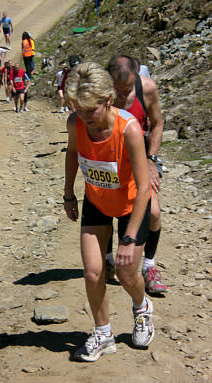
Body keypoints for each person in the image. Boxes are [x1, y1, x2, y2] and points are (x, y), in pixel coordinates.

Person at [64, 62, 154, 362]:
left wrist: (128, 239)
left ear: (107, 100)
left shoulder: (128, 129)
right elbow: (74, 153)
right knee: (93, 272)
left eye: (91, 110)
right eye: (79, 109)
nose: (85, 117)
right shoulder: (76, 123)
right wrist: (69, 194)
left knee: (128, 274)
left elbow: (144, 188)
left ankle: (142, 308)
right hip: (96, 202)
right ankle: (103, 334)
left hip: (131, 206)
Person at [107, 55, 167, 294]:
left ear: (137, 76)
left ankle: (149, 265)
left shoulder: (147, 88)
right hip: (110, 158)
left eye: (127, 89)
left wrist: (151, 160)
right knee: (108, 208)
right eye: (117, 91)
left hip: (141, 154)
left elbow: (157, 123)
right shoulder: (101, 91)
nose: (122, 96)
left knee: (153, 212)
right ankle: (107, 258)